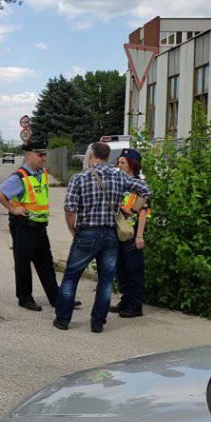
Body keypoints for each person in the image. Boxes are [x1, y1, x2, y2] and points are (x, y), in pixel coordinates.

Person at [54, 142, 151, 333]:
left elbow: (70, 209)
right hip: (110, 235)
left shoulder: (79, 178)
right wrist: (133, 210)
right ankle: (97, 322)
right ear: (108, 157)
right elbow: (145, 190)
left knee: (71, 277)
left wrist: (72, 229)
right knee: (106, 280)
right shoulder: (119, 176)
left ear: (91, 155)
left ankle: (63, 319)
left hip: (86, 233)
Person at [0, 141, 59, 312]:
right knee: (23, 263)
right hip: (23, 226)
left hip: (39, 226)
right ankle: (25, 298)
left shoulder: (42, 173)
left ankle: (56, 298)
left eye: (44, 155)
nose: (44, 158)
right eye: (40, 155)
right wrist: (13, 209)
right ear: (29, 155)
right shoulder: (19, 177)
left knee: (46, 263)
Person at [111, 148, 148, 318]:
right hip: (118, 232)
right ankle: (125, 301)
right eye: (118, 162)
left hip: (132, 233)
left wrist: (140, 236)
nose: (119, 165)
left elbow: (143, 212)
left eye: (122, 162)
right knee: (121, 269)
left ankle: (135, 305)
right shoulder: (118, 182)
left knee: (134, 270)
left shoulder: (140, 184)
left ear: (132, 164)